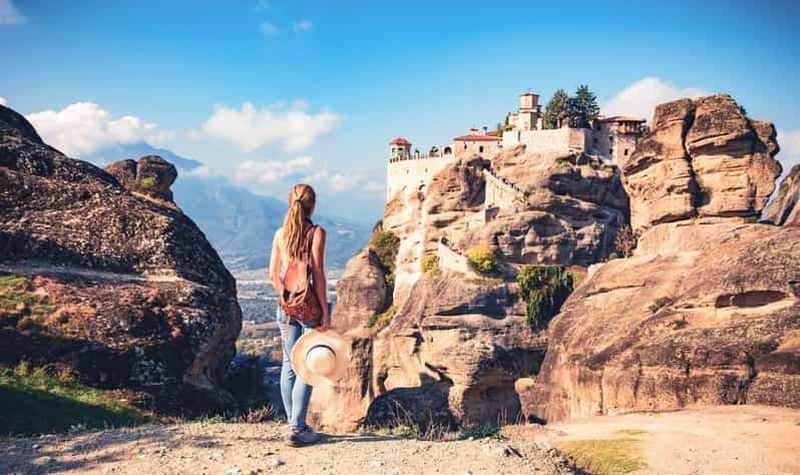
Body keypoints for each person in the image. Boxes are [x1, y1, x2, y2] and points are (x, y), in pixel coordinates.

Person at [269, 183, 331, 447]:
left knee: (288, 365)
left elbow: (273, 275)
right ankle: (297, 428)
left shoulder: (280, 234)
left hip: (285, 307)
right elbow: (317, 276)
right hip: (309, 307)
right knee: (307, 366)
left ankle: (293, 423)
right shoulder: (316, 233)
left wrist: (287, 299)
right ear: (312, 205)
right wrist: (325, 313)